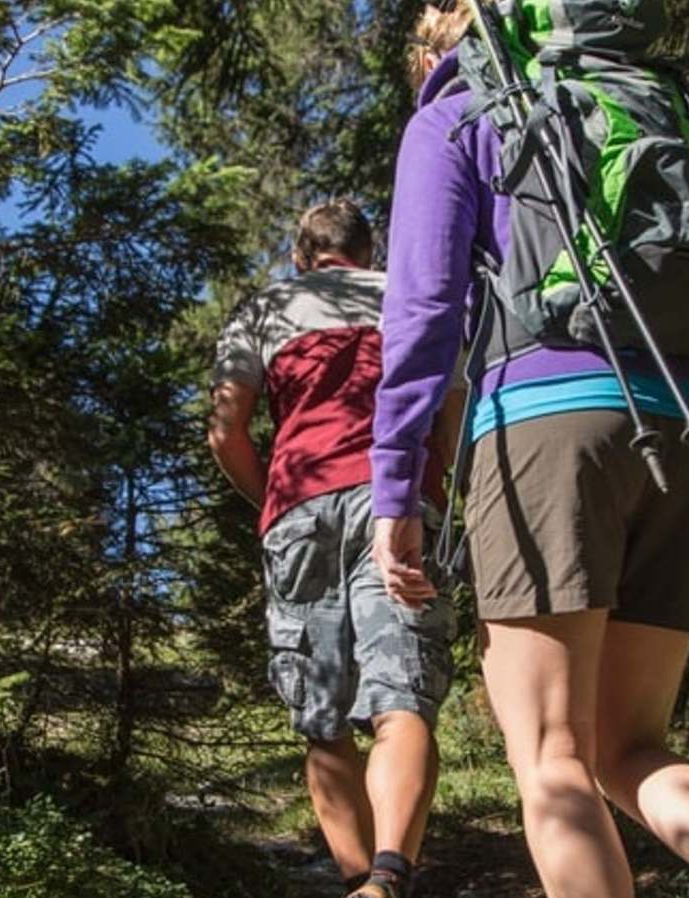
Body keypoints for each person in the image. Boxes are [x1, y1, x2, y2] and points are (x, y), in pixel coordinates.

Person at [368, 7, 689, 898]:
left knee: (552, 755)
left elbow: (421, 313)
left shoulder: (456, 116)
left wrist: (397, 485)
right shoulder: (648, 97)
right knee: (630, 746)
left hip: (546, 426)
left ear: (440, 44)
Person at [210, 200, 459, 898]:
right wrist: (435, 491)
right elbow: (449, 418)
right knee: (402, 698)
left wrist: (271, 501)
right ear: (369, 250)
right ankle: (389, 876)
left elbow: (226, 431)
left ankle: (357, 884)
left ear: (301, 256)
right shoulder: (410, 296)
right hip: (400, 504)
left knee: (323, 720)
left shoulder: (263, 308)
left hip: (300, 508)